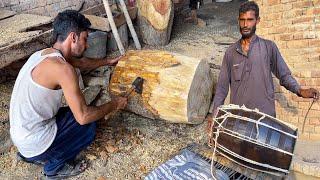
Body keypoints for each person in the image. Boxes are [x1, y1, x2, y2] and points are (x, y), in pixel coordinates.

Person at [9, 10, 127, 179]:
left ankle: (31, 155)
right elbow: (84, 117)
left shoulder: (45, 55)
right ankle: (54, 168)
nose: (86, 45)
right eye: (85, 39)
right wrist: (114, 104)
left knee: (71, 112)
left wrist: (107, 62)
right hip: (33, 141)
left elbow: (82, 63)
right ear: (73, 37)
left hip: (23, 137)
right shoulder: (64, 69)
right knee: (88, 125)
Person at [207, 2, 319, 131]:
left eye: (250, 20)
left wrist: (300, 91)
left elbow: (284, 75)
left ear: (257, 21)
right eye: (242, 20)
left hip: (265, 119)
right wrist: (214, 113)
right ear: (238, 20)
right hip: (238, 120)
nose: (245, 24)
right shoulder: (230, 52)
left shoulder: (268, 47)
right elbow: (221, 88)